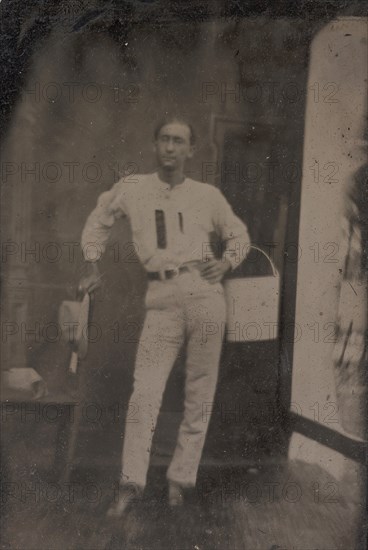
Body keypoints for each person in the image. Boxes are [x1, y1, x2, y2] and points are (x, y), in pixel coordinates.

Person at [80, 115, 250, 517]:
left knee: (199, 392)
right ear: (155, 145)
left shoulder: (207, 195)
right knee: (145, 392)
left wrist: (225, 264)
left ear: (192, 150)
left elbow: (239, 235)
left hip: (206, 295)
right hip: (161, 295)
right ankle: (131, 483)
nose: (171, 148)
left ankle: (179, 480)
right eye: (164, 140)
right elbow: (98, 220)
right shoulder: (133, 189)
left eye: (179, 141)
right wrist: (91, 263)